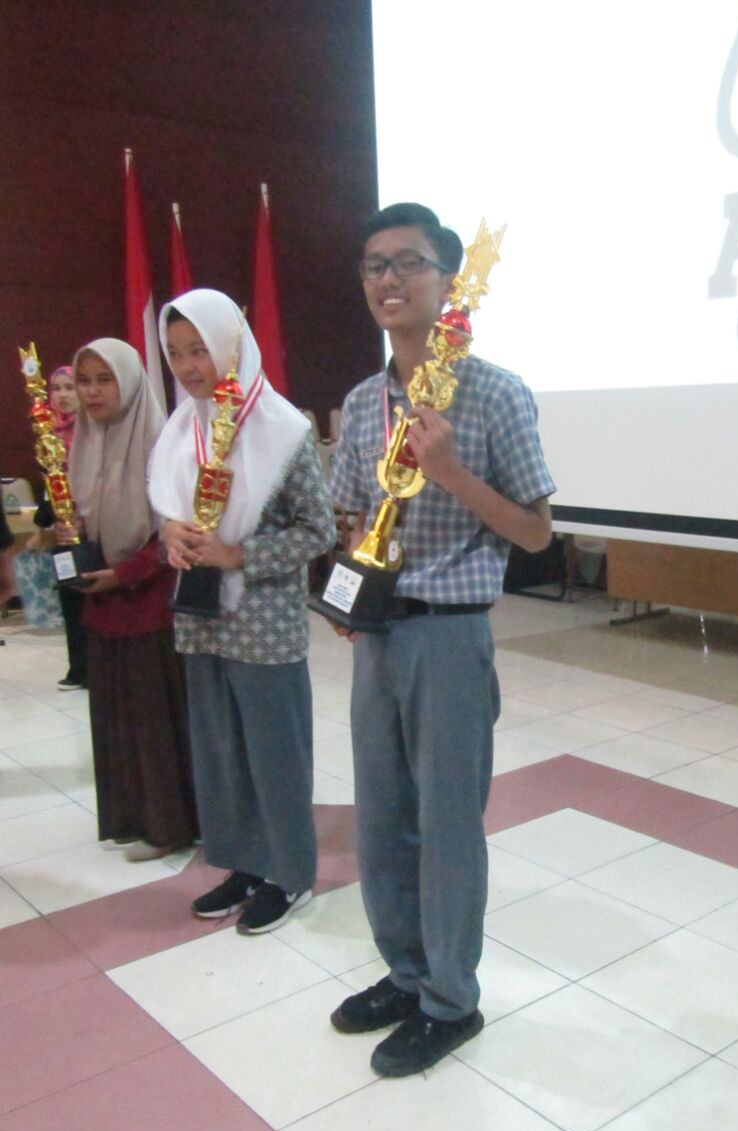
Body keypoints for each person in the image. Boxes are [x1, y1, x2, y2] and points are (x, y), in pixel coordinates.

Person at [327, 203, 555, 1076]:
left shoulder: (495, 392)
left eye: (408, 263)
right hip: (378, 637)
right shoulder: (360, 401)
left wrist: (450, 471)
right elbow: (353, 517)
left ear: (449, 282)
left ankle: (452, 1001)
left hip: (452, 637)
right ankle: (405, 971)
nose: (388, 280)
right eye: (374, 265)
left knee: (448, 825)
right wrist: (355, 591)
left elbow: (536, 535)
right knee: (382, 821)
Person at [149, 288, 336, 934]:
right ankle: (244, 864)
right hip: (200, 618)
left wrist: (238, 555)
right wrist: (171, 532)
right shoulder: (184, 426)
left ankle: (291, 874)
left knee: (275, 753)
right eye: (176, 354)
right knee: (222, 752)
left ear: (231, 343)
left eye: (200, 349)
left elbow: (319, 531)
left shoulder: (285, 428)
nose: (189, 366)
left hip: (263, 625)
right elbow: (172, 505)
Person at [66, 339, 198, 859]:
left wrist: (121, 575)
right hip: (103, 602)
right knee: (116, 714)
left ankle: (169, 825)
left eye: (104, 379)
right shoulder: (86, 440)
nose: (93, 392)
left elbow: (172, 531)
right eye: (85, 380)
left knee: (153, 717)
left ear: (130, 382)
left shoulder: (159, 441)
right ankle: (129, 816)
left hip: (149, 604)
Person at [31, 365, 89, 690]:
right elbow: (48, 487)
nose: (63, 395)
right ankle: (78, 668)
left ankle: (98, 667)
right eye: (57, 388)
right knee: (69, 597)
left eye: (70, 387)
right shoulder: (50, 435)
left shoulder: (92, 434)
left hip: (91, 527)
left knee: (90, 596)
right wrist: (45, 523)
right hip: (62, 531)